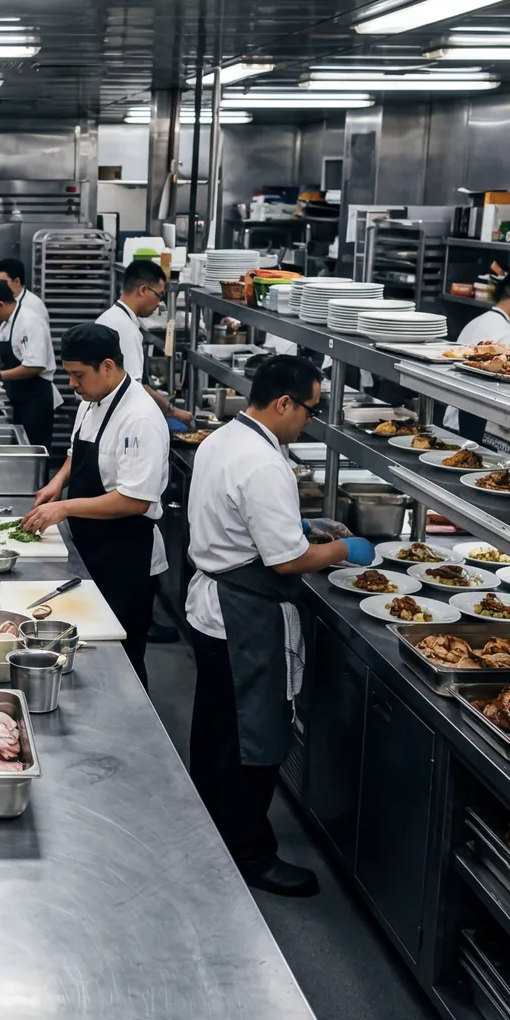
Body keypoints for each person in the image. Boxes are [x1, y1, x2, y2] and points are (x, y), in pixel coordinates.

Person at [185, 355, 377, 899]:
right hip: (243, 620)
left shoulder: (224, 438)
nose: (309, 422)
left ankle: (209, 829)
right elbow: (288, 561)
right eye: (310, 410)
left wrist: (299, 524)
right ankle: (250, 855)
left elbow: (237, 516)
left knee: (216, 734)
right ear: (284, 402)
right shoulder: (266, 464)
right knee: (253, 742)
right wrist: (345, 548)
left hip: (211, 608)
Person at [21, 323, 169, 686]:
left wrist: (65, 508)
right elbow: (78, 452)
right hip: (91, 547)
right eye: (69, 374)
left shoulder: (140, 417)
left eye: (78, 375)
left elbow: (135, 499)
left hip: (127, 558)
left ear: (107, 366)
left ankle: (135, 718)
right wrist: (57, 483)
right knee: (89, 648)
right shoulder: (91, 398)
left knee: (122, 659)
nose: (72, 384)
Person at [0, 278, 63, 450]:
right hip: (19, 397)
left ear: (0, 304)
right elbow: (10, 354)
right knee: (20, 449)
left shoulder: (29, 322)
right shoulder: (6, 322)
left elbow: (35, 366)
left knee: (33, 451)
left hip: (35, 400)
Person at [442, 271, 510, 441]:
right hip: (478, 426)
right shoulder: (509, 336)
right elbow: (503, 391)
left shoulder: (476, 322)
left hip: (452, 417)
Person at [96, 260, 194, 428]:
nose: (159, 303)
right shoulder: (124, 328)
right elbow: (134, 387)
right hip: (115, 419)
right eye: (159, 295)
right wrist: (173, 411)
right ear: (143, 290)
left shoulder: (114, 317)